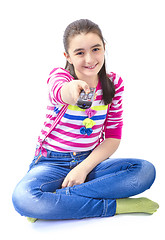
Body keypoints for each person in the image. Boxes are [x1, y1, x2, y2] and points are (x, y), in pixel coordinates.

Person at [12, 19, 159, 222]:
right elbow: (61, 91)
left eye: (95, 49)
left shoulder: (114, 83)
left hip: (90, 161)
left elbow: (113, 138)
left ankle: (54, 202)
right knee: (22, 198)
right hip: (52, 162)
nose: (89, 59)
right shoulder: (60, 77)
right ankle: (114, 206)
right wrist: (74, 91)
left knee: (145, 171)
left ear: (104, 49)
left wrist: (83, 168)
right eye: (80, 52)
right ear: (68, 57)